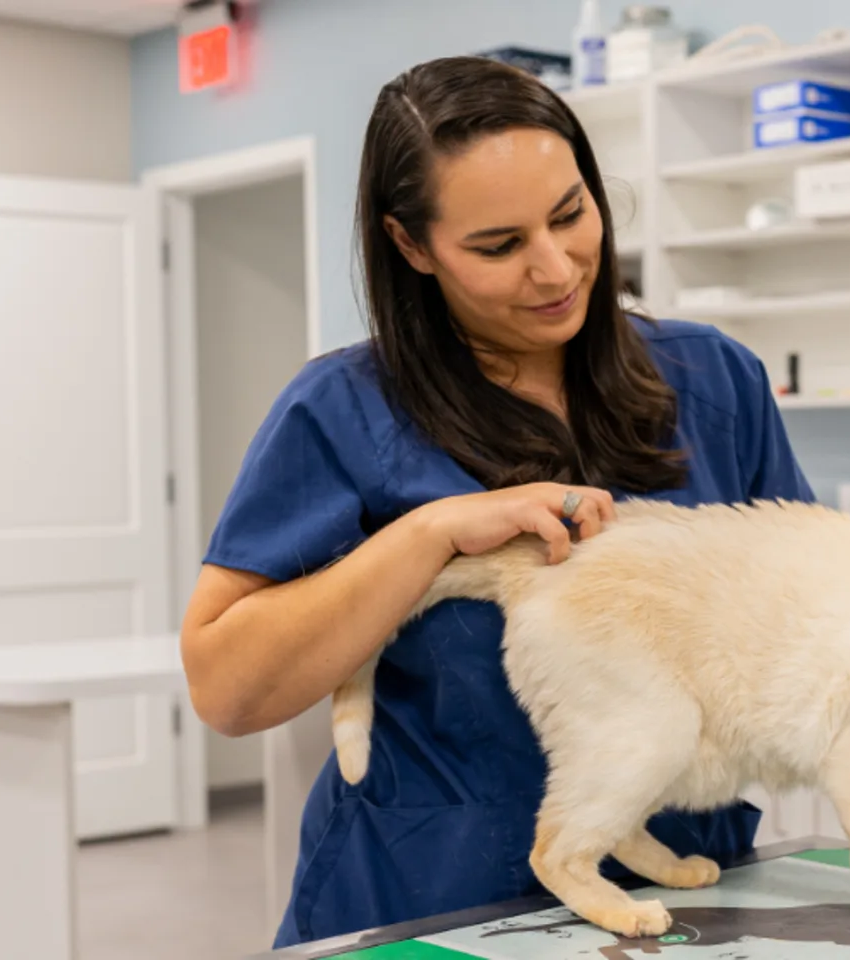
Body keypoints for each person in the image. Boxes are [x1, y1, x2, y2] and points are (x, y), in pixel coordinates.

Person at [179, 56, 813, 947]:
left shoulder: (713, 381)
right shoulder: (342, 411)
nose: (555, 268)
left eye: (570, 215)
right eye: (498, 245)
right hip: (430, 889)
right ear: (411, 246)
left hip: (681, 886)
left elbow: (812, 612)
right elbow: (227, 690)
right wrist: (429, 535)